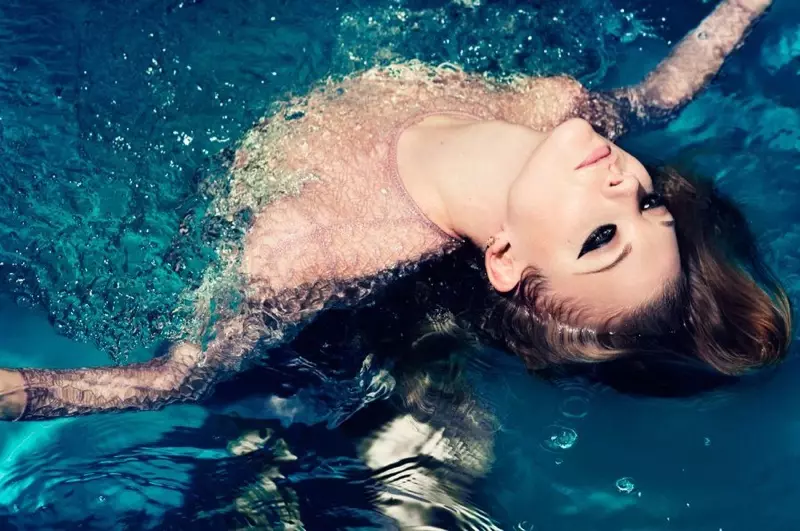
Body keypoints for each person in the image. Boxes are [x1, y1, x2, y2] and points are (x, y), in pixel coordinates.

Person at [0, 0, 789, 421]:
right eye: (651, 203)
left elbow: (179, 375)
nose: (622, 187)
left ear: (507, 259)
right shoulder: (565, 109)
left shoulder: (324, 246)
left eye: (601, 238)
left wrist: (25, 393)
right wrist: (741, 12)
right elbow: (664, 92)